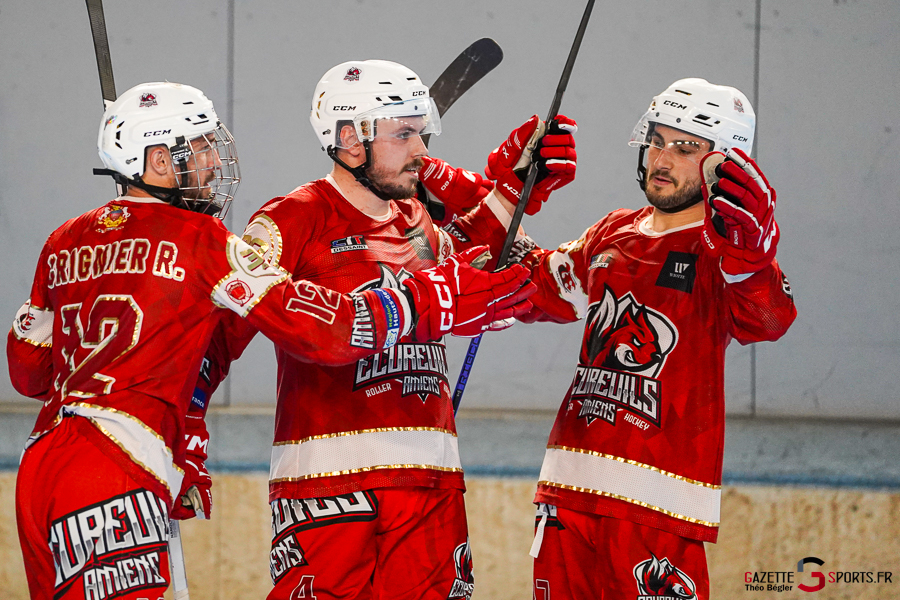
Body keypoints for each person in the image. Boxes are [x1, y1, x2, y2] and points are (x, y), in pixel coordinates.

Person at [7, 81, 536, 600]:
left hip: (43, 462)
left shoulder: (64, 240)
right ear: (159, 161)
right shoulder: (204, 239)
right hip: (121, 458)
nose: (213, 165)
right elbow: (322, 331)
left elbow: (27, 373)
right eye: (200, 149)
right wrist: (429, 298)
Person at [190, 59, 577, 600]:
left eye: (421, 132)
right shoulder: (288, 221)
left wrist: (513, 191)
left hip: (429, 479)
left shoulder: (419, 221)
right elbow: (215, 340)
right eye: (404, 134)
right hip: (326, 486)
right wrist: (182, 433)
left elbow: (479, 267)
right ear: (350, 139)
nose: (422, 150)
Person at [512, 78, 797, 600]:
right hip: (568, 491)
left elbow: (769, 320)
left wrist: (752, 258)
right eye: (657, 140)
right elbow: (529, 290)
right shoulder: (612, 230)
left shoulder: (728, 251)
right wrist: (493, 201)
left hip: (658, 504)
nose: (661, 158)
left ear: (725, 163)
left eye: (685, 147)